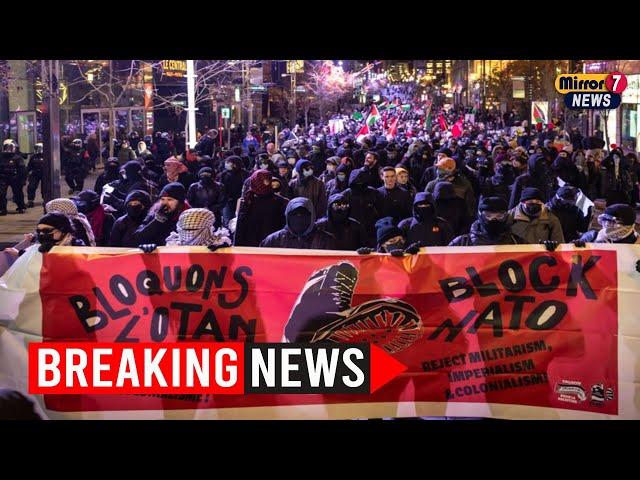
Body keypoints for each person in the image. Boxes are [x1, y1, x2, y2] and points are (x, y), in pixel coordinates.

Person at [234, 169, 289, 247]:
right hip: (250, 247)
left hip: (272, 245)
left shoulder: (281, 202)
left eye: (267, 181)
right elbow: (240, 229)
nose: (265, 184)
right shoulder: (247, 201)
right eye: (261, 181)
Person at [260, 196, 335, 250]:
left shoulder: (325, 240)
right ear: (287, 216)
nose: (299, 218)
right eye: (294, 214)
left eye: (304, 214)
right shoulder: (273, 240)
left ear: (312, 216)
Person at [449, 197, 525, 246]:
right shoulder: (462, 242)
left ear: (506, 216)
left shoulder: (517, 242)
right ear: (480, 216)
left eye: (499, 216)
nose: (493, 219)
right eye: (488, 216)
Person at [135, 182, 190, 248]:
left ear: (180, 202)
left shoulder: (189, 216)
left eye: (170, 199)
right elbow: (138, 238)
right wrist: (157, 220)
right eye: (162, 199)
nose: (165, 203)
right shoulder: (154, 213)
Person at [341, 168, 384, 248]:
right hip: (352, 230)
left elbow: (380, 211)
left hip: (371, 229)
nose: (359, 183)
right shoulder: (346, 194)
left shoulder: (373, 193)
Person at [165, 208, 232, 248]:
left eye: (194, 229)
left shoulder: (220, 242)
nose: (190, 234)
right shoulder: (173, 244)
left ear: (208, 227)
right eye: (186, 229)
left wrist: (223, 253)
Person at [218, 155, 248, 226]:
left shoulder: (244, 174)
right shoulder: (224, 174)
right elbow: (221, 188)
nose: (227, 164)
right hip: (228, 201)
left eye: (229, 162)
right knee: (227, 221)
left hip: (241, 200)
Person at [0, 139, 26, 215]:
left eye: (10, 147)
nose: (8, 149)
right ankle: (2, 209)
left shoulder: (17, 157)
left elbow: (22, 170)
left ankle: (21, 207)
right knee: (1, 193)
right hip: (3, 177)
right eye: (7, 147)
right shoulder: (1, 157)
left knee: (18, 192)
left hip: (15, 177)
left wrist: (22, 179)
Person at [26, 143, 44, 208]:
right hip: (34, 173)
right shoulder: (33, 157)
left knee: (45, 187)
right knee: (31, 187)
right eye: (37, 148)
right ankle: (30, 200)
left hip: (44, 173)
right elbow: (29, 166)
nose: (38, 150)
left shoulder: (46, 156)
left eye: (39, 148)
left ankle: (46, 199)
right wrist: (26, 173)